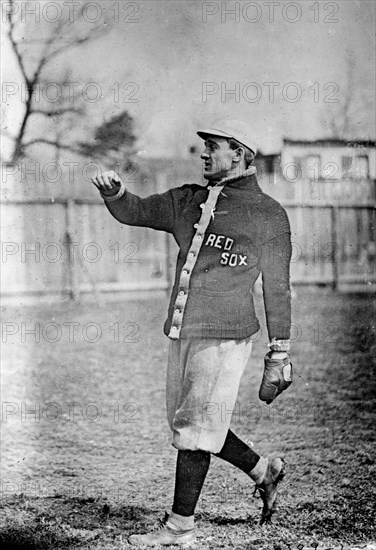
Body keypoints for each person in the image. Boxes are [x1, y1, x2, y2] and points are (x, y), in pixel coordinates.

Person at [91, 119, 293, 547]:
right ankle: (264, 470)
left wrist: (279, 350)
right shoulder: (189, 199)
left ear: (238, 153)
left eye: (213, 147)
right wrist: (114, 193)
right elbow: (138, 210)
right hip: (185, 329)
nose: (203, 153)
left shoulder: (268, 214)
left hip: (227, 335)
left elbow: (276, 286)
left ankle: (180, 527)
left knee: (195, 425)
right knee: (192, 423)